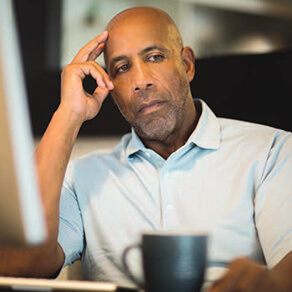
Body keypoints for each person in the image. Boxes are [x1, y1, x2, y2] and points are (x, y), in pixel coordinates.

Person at [1, 6, 292, 292]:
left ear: (187, 65)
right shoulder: (83, 177)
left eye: (154, 57)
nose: (141, 81)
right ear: (109, 84)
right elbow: (20, 262)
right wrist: (68, 114)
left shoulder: (270, 152)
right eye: (122, 68)